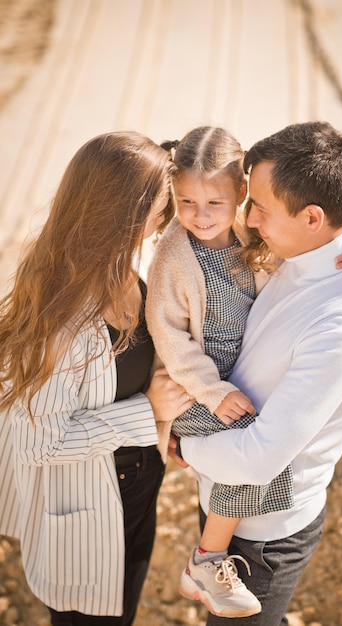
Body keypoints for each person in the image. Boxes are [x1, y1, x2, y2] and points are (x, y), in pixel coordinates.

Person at [145, 125, 342, 619]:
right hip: (215, 448)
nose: (248, 219)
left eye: (258, 208)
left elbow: (255, 460)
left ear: (312, 219)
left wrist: (174, 438)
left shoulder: (341, 320)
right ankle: (206, 558)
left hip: (264, 533)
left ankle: (206, 561)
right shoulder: (299, 247)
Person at [0, 131, 194, 626]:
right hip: (85, 506)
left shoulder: (125, 264)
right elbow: (38, 444)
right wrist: (148, 411)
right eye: (159, 204)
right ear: (122, 212)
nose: (166, 215)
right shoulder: (63, 320)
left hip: (137, 485)